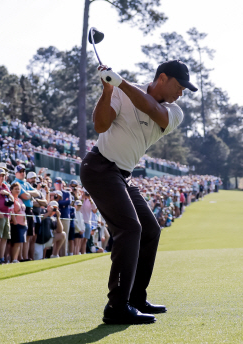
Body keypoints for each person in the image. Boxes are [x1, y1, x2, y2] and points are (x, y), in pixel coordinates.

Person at [80, 59, 196, 324]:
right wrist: (108, 90)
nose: (181, 93)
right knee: (130, 229)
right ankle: (117, 306)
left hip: (122, 175)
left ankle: (135, 298)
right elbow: (100, 126)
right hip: (99, 167)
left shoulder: (174, 112)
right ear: (162, 78)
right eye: (179, 86)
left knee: (150, 230)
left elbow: (152, 108)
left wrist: (119, 82)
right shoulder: (121, 91)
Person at [9, 182, 27, 263]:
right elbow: (11, 212)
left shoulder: (20, 199)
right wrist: (15, 223)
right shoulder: (11, 199)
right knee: (16, 243)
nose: (17, 190)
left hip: (23, 224)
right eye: (15, 189)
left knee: (20, 243)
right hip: (16, 224)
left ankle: (17, 258)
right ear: (11, 190)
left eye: (18, 189)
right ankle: (14, 259)